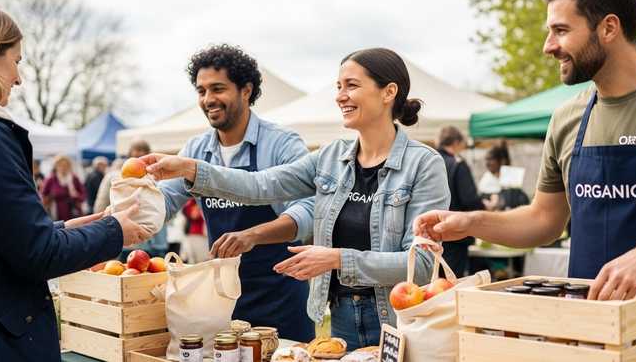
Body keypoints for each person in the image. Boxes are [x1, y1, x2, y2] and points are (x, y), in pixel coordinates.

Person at [414, 0, 636, 360]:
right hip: (586, 338)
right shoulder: (567, 117)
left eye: (560, 30)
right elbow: (544, 220)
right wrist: (471, 222)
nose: (547, 46)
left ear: (608, 28)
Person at [144, 47, 449, 351]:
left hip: (398, 319)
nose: (340, 95)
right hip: (341, 316)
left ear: (389, 92)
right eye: (338, 87)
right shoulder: (331, 158)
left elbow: (421, 264)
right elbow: (260, 184)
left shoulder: (423, 164)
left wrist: (336, 258)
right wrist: (191, 169)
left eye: (351, 85)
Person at [0, 0, 150, 362]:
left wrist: (63, 227)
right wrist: (115, 231)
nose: (19, 78)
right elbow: (38, 255)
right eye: (16, 61)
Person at [155, 44, 315, 342]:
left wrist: (251, 236)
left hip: (282, 293)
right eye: (201, 91)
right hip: (224, 296)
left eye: (217, 88)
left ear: (246, 90)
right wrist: (118, 213)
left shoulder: (282, 144)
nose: (208, 99)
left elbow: (307, 213)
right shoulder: (196, 149)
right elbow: (163, 202)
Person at [95, 140, 170, 258]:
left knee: (157, 272)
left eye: (143, 151)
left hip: (157, 241)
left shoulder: (156, 176)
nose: (139, 153)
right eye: (136, 150)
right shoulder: (115, 176)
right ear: (130, 153)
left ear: (148, 154)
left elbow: (165, 202)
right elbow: (101, 204)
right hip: (128, 242)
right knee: (128, 272)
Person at [435, 126, 481, 277]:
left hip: (427, 232)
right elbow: (470, 198)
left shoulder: (428, 162)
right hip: (454, 233)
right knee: (450, 282)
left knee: (430, 284)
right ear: (456, 142)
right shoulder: (458, 163)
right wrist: (484, 208)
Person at [41, 154, 86, 221]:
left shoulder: (74, 178)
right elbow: (43, 196)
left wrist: (75, 195)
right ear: (56, 166)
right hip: (56, 213)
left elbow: (83, 195)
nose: (63, 167)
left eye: (66, 165)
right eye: (60, 165)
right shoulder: (51, 179)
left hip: (74, 213)